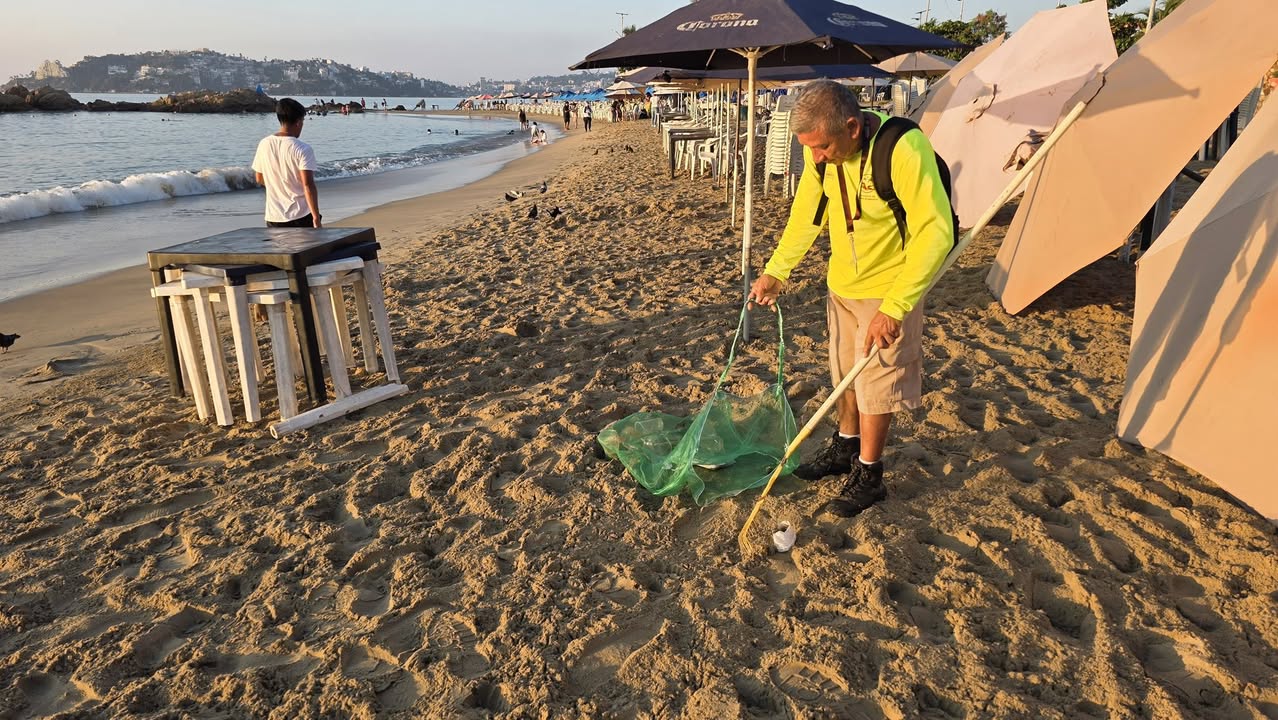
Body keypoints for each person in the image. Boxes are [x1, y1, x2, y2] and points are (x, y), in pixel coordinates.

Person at [747, 80, 952, 517]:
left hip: (889, 290)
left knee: (877, 385)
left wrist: (895, 307)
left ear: (853, 127)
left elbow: (937, 232)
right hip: (841, 286)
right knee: (844, 376)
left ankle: (869, 472)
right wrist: (776, 272)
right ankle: (845, 446)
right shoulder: (820, 153)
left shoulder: (902, 148)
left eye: (822, 147)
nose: (816, 157)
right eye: (810, 149)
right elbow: (806, 215)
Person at [252, 97, 321, 228]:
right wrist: (316, 218)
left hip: (274, 215)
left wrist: (279, 185)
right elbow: (308, 185)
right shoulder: (303, 149)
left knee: (281, 248)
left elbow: (259, 178)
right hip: (300, 214)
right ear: (298, 122)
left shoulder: (264, 144)